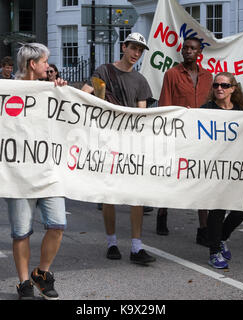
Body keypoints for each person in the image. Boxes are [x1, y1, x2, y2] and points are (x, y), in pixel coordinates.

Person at [81, 32, 156, 265]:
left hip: (131, 142)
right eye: (133, 48)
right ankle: (112, 242)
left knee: (137, 195)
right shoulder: (104, 71)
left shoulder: (141, 81)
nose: (136, 54)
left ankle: (136, 246)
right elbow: (84, 95)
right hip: (107, 141)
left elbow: (142, 114)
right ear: (124, 47)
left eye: (140, 50)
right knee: (110, 194)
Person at [7, 43, 67, 299]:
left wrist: (63, 94)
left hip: (48, 171)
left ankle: (42, 273)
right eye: (44, 62)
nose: (48, 66)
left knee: (57, 225)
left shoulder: (50, 91)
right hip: (18, 174)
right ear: (32, 64)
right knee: (21, 231)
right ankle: (23, 283)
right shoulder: (8, 91)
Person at [157, 36, 213, 242]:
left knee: (201, 179)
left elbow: (214, 106)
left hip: (202, 136)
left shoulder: (209, 77)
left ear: (200, 53)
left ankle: (204, 228)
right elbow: (165, 104)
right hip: (178, 134)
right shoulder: (172, 74)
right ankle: (162, 213)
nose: (188, 51)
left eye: (193, 48)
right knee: (171, 176)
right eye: (186, 48)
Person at [200, 72, 243, 269]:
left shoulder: (242, 112)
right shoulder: (206, 109)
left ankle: (222, 237)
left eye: (224, 85)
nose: (219, 89)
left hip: (236, 167)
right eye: (216, 85)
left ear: (233, 88)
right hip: (215, 167)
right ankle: (214, 252)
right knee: (217, 209)